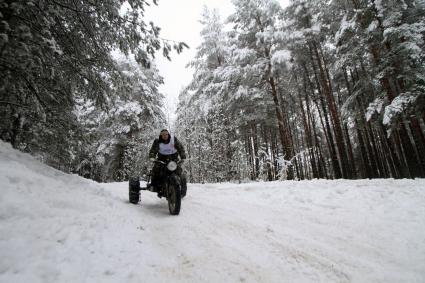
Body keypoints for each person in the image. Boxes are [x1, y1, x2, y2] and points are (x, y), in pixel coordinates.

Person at [148, 129, 187, 197]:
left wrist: (183, 157)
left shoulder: (173, 139)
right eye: (163, 134)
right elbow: (153, 150)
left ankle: (182, 189)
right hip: (162, 160)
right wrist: (152, 157)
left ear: (168, 134)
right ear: (161, 135)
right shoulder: (157, 141)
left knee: (179, 171)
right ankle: (153, 185)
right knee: (156, 170)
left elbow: (180, 148)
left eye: (166, 134)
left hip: (173, 160)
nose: (165, 136)